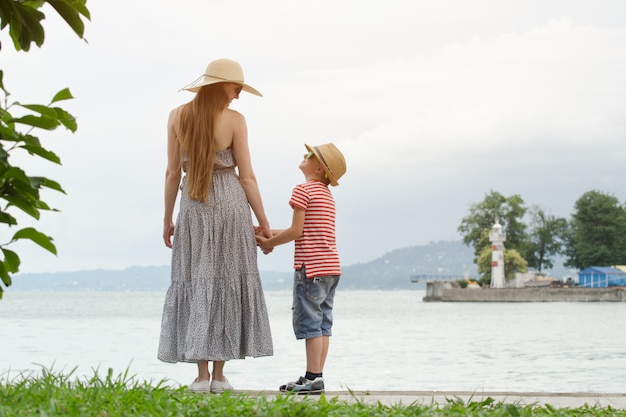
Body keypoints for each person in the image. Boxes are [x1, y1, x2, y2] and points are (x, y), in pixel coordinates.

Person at [157, 58, 274, 393]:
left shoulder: (177, 116)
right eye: (236, 87)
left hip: (193, 205)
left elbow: (171, 174)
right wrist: (264, 223)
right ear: (220, 84)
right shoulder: (235, 121)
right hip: (230, 203)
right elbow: (247, 177)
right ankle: (220, 377)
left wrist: (167, 218)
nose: (237, 95)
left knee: (196, 280)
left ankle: (201, 375)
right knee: (225, 280)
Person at [256, 143, 346, 395]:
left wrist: (268, 243)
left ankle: (312, 377)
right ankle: (316, 377)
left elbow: (296, 232)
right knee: (323, 324)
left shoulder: (302, 190)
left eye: (309, 155)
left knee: (310, 324)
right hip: (330, 267)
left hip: (311, 268)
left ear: (318, 167)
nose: (303, 156)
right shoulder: (326, 195)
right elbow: (305, 231)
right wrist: (265, 233)